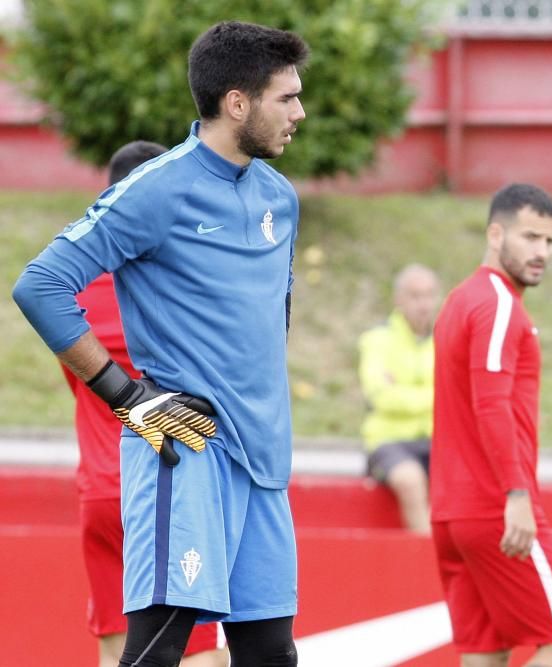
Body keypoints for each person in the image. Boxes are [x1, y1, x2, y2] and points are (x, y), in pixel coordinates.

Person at [14, 20, 307, 667]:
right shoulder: (156, 189)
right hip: (188, 455)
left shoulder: (279, 200)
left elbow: (269, 319)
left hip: (264, 469)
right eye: (286, 98)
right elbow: (40, 286)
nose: (300, 112)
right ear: (238, 102)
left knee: (271, 654)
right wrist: (128, 398)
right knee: (157, 652)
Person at [63, 140, 228, 666]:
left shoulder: (77, 290)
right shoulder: (180, 288)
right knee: (197, 649)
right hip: (166, 486)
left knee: (117, 651)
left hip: (101, 492)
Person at [430, 183, 552, 667]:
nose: (542, 252)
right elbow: (490, 404)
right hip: (497, 508)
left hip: (453, 513)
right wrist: (516, 497)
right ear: (495, 234)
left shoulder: (461, 298)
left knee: (485, 653)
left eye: (550, 241)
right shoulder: (497, 304)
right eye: (530, 237)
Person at [358, 263, 440, 534]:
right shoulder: (377, 340)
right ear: (399, 299)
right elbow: (381, 397)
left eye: (429, 295)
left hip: (436, 439)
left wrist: (403, 393)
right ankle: (428, 556)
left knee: (470, 478)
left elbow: (459, 394)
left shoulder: (445, 339)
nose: (424, 304)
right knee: (410, 480)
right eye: (415, 296)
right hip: (388, 442)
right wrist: (434, 395)